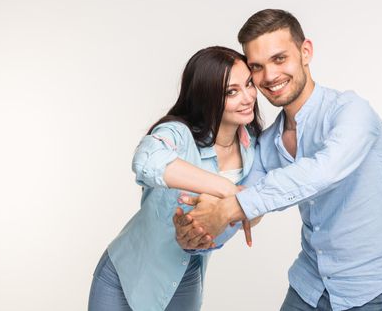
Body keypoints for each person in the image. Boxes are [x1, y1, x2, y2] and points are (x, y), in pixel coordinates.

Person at [175, 9, 382, 311]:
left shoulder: (352, 113)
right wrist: (197, 235)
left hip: (372, 292)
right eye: (257, 67)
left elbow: (320, 172)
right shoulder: (269, 143)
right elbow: (242, 202)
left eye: (279, 59)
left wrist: (231, 207)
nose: (270, 76)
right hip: (308, 288)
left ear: (305, 52)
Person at [88, 46, 262, 311]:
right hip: (124, 274)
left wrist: (237, 212)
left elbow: (256, 207)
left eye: (249, 84)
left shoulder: (253, 148)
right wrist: (227, 188)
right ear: (207, 97)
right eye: (231, 91)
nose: (248, 97)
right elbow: (145, 162)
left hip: (184, 278)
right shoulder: (177, 135)